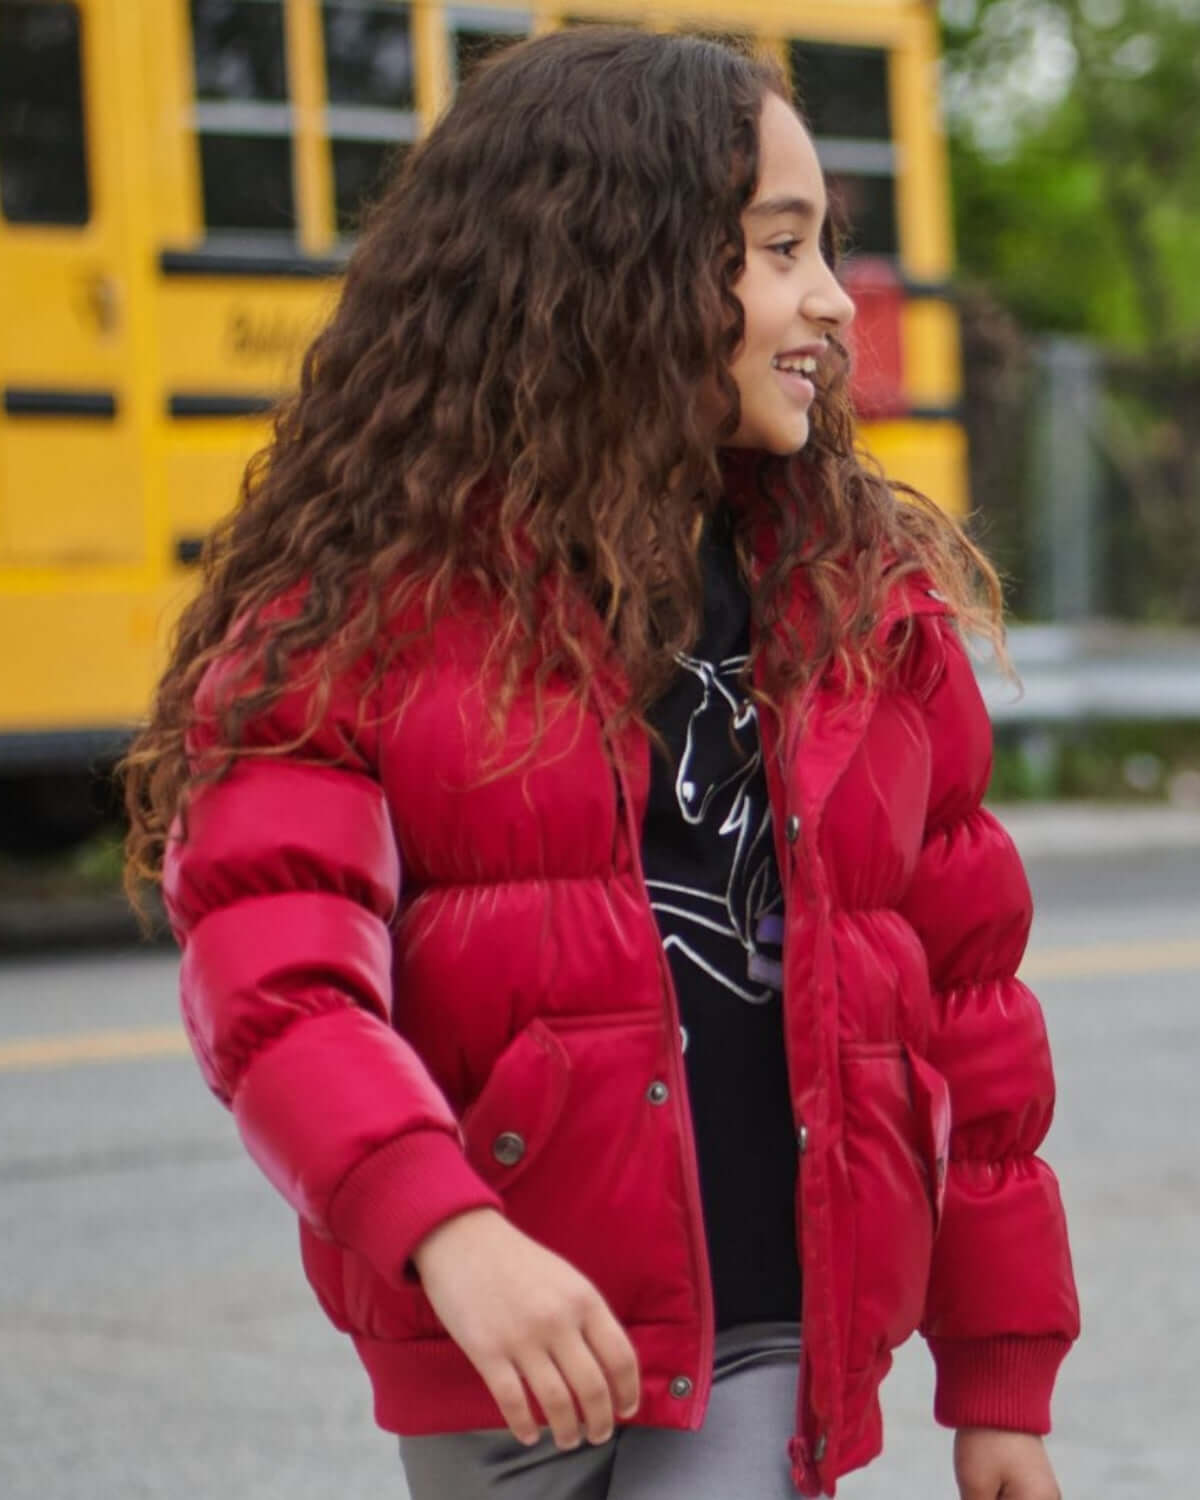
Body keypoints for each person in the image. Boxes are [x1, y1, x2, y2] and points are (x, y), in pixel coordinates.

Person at [122, 27, 1079, 1500]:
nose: (830, 301)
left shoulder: (864, 609)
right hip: (496, 1329)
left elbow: (971, 1006)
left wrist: (1001, 1375)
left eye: (824, 247)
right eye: (777, 250)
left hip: (772, 1316)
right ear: (614, 274)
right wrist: (450, 1230)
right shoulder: (359, 609)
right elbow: (278, 983)